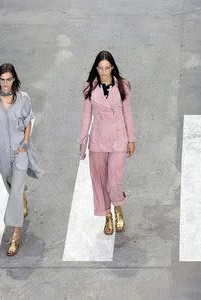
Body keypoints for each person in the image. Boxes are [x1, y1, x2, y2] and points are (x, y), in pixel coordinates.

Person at [0, 63, 41, 256]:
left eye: (9, 80)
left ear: (14, 80)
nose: (6, 84)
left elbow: (28, 121)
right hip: (1, 153)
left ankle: (15, 234)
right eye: (2, 80)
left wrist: (26, 141)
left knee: (14, 193)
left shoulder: (23, 99)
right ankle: (21, 196)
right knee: (10, 185)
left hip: (20, 151)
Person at [79, 50, 136, 235]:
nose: (104, 72)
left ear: (112, 68)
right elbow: (87, 117)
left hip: (118, 139)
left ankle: (118, 206)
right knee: (100, 181)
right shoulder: (90, 88)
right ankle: (107, 215)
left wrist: (131, 139)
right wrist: (82, 141)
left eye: (107, 68)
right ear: (96, 68)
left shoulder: (122, 86)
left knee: (113, 181)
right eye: (100, 68)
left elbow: (128, 114)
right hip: (98, 141)